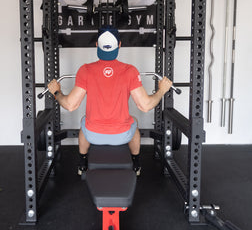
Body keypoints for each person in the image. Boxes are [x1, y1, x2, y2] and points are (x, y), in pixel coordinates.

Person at [48, 27, 172, 176]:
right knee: (135, 124)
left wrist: (56, 92)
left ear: (96, 45)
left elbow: (70, 105)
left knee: (84, 122)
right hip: (123, 135)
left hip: (93, 135)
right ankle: (136, 164)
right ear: (119, 45)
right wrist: (162, 90)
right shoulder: (130, 71)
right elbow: (145, 106)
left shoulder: (85, 70)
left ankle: (82, 164)